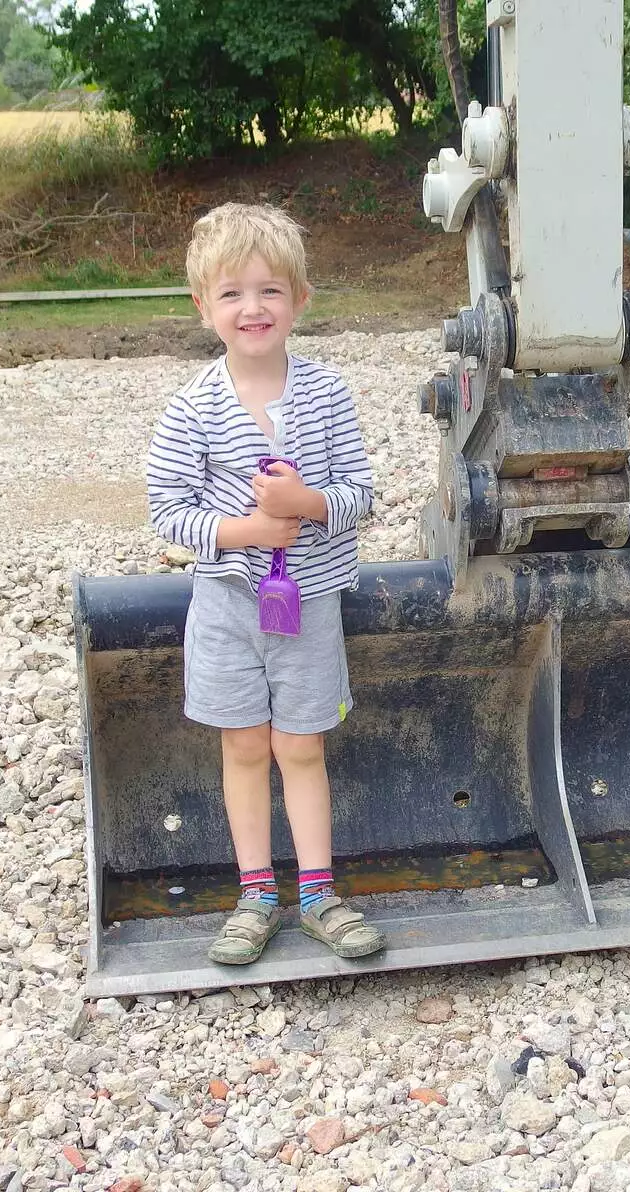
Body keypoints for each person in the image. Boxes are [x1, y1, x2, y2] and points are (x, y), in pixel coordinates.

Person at [145, 202, 383, 965]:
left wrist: (305, 506)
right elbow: (169, 513)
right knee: (245, 747)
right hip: (225, 609)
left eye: (270, 290)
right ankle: (256, 893)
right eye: (233, 293)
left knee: (301, 746)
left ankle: (317, 891)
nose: (253, 308)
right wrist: (247, 531)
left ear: (300, 300)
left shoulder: (326, 395)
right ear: (203, 306)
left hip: (308, 606)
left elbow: (359, 493)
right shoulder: (192, 411)